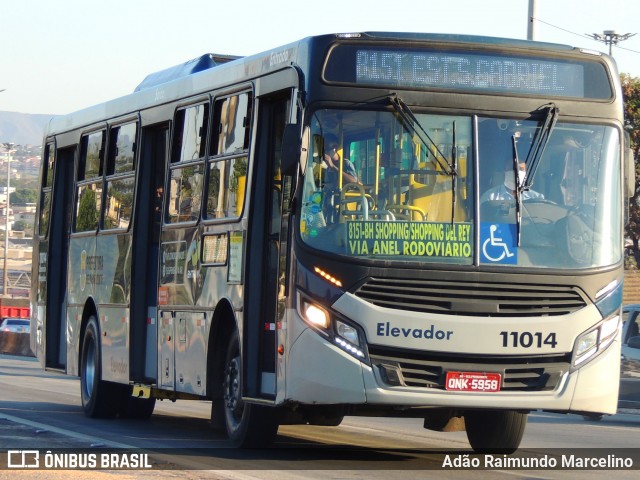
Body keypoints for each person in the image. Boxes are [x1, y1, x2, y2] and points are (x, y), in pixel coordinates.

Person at [320, 134, 358, 223]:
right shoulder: (324, 166)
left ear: (335, 148)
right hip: (327, 199)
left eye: (326, 148)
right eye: (323, 149)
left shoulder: (345, 163)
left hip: (341, 202)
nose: (324, 151)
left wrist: (333, 167)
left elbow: (353, 181)